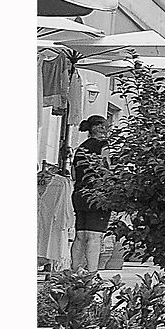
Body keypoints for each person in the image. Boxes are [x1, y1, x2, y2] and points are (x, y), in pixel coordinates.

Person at [69, 115, 112, 271]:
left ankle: (75, 272)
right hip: (97, 194)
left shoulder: (81, 148)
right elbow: (107, 168)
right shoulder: (103, 145)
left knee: (80, 236)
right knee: (94, 236)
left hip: (79, 193)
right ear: (100, 128)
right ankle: (92, 275)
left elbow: (74, 173)